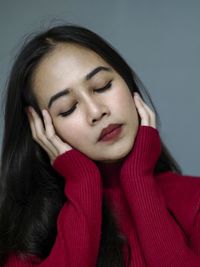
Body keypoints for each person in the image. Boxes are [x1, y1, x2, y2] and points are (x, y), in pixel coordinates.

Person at [0, 24, 200, 267]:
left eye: (103, 86)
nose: (96, 112)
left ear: (128, 84)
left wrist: (138, 179)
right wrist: (83, 183)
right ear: (41, 130)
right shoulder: (26, 234)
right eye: (68, 108)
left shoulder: (193, 199)